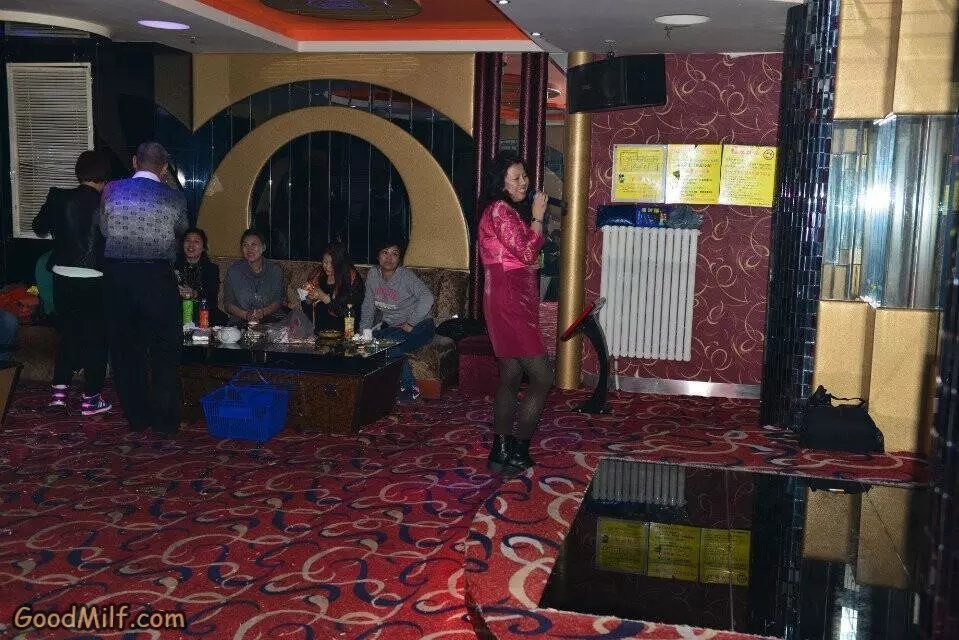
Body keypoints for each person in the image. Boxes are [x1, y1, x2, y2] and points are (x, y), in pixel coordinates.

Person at [99, 142, 188, 436]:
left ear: (134, 162)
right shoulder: (173, 196)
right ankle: (165, 424)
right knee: (165, 351)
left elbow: (104, 229)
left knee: (125, 351)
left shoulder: (111, 189)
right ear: (164, 168)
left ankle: (137, 419)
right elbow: (181, 230)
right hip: (156, 277)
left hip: (118, 277)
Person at [478, 152, 554, 472]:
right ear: (501, 183)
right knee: (543, 377)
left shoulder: (502, 211)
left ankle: (500, 450)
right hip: (510, 299)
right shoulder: (500, 209)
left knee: (510, 374)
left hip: (507, 295)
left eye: (524, 176)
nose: (524, 182)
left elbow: (523, 256)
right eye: (516, 178)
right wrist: (537, 217)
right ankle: (519, 450)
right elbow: (525, 251)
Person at [32, 150, 112, 415]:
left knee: (69, 336)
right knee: (95, 340)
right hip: (95, 278)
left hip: (62, 275)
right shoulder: (108, 204)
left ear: (79, 173)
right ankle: (91, 399)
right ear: (104, 176)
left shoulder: (58, 197)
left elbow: (38, 228)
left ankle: (58, 396)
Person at [359, 240, 434, 404]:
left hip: (421, 325)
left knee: (388, 348)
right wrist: (364, 333)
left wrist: (411, 322)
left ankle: (411, 391)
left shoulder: (405, 276)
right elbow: (368, 306)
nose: (389, 258)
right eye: (385, 253)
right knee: (368, 345)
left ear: (399, 258)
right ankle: (375, 390)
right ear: (378, 256)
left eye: (394, 254)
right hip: (395, 327)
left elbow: (428, 297)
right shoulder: (373, 274)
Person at [222, 229, 285, 324]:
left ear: (263, 247)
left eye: (254, 244)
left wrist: (262, 312)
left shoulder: (274, 270)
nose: (249, 249)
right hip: (241, 319)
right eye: (245, 245)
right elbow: (228, 304)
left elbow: (278, 301)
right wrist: (246, 315)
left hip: (270, 319)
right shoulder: (234, 271)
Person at [301, 242, 365, 333]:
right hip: (319, 332)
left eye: (332, 263)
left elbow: (348, 312)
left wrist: (325, 298)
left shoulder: (351, 279)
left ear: (340, 263)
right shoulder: (318, 275)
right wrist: (308, 299)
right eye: (325, 262)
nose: (327, 266)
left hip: (345, 333)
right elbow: (307, 311)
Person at [174, 227, 226, 326]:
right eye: (188, 240)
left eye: (196, 241)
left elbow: (212, 299)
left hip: (205, 313)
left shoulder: (211, 268)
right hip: (178, 313)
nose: (191, 245)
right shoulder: (174, 266)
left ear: (203, 247)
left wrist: (194, 294)